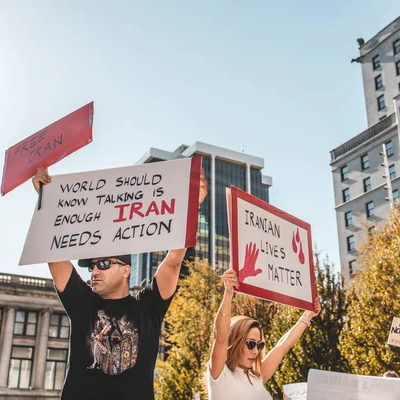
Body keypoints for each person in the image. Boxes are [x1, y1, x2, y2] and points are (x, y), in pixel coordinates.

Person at [32, 166, 207, 399]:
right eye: (91, 266)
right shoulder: (81, 301)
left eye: (103, 264)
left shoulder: (148, 306)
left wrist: (192, 206)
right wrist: (45, 201)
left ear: (126, 270)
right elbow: (54, 258)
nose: (94, 270)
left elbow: (173, 262)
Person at [207, 268, 321, 399]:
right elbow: (221, 337)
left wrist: (307, 316)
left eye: (259, 345)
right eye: (250, 344)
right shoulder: (220, 375)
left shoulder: (256, 377)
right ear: (234, 341)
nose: (256, 351)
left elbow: (283, 345)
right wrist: (228, 293)